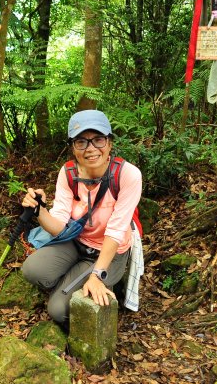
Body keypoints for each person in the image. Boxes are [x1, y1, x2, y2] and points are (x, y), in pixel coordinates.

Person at [21, 110, 142, 326]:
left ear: (110, 144)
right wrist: (39, 210)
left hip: (110, 252)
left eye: (98, 140)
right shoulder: (68, 174)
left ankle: (97, 281)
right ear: (73, 148)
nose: (91, 149)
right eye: (81, 142)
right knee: (32, 270)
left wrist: (97, 275)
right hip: (76, 242)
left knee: (58, 310)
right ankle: (74, 279)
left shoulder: (127, 175)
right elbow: (58, 226)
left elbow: (116, 230)